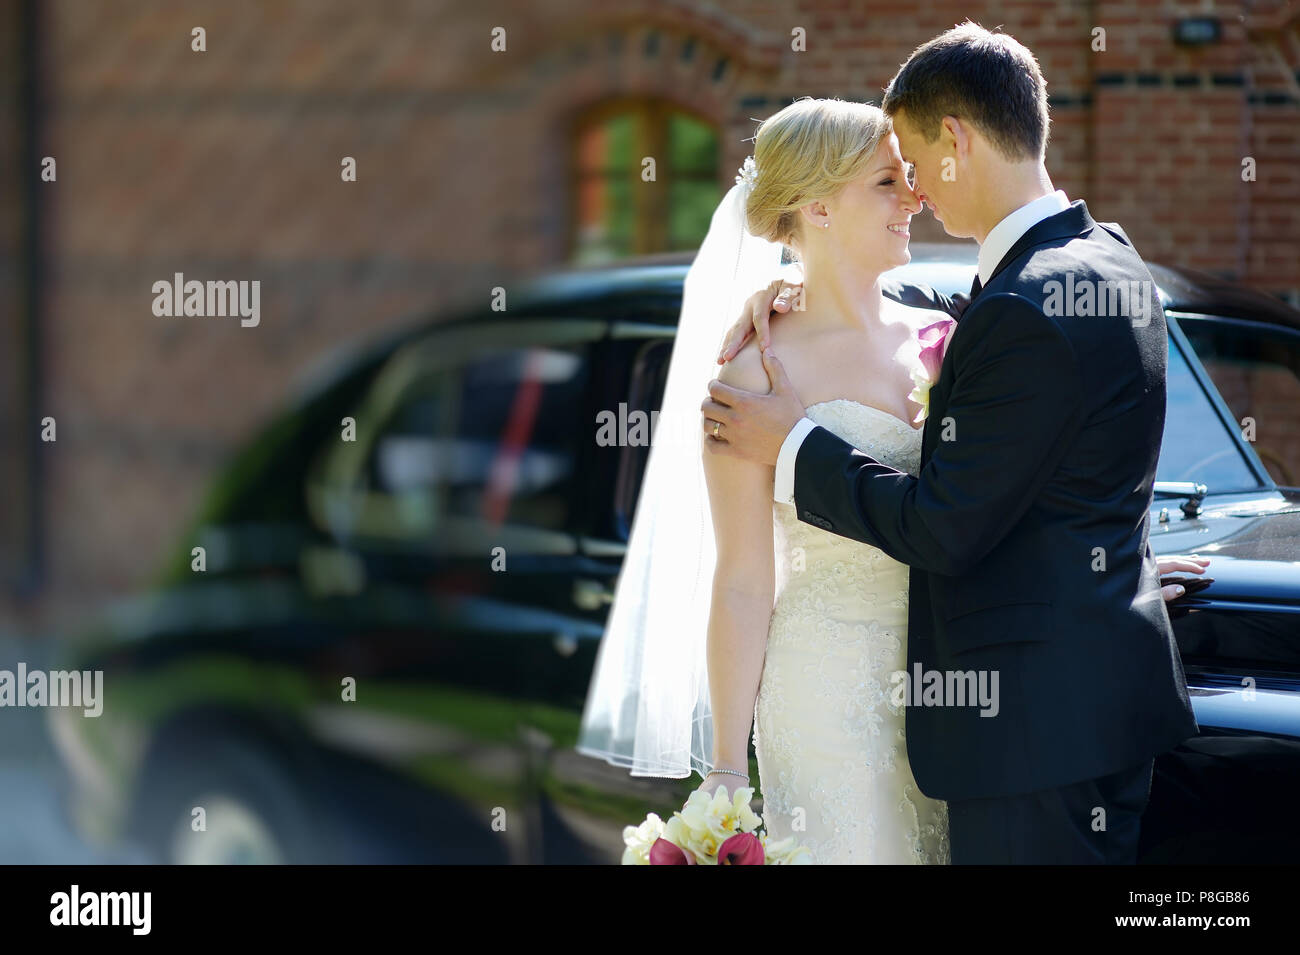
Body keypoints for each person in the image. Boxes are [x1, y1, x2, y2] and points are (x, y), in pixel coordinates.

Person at [700, 22, 1203, 864]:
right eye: (886, 183)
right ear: (816, 208)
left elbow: (966, 508)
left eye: (911, 172)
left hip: (992, 719)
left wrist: (795, 443)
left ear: (957, 142)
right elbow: (744, 583)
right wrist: (723, 764)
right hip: (843, 697)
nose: (914, 197)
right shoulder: (1109, 262)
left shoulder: (965, 324)